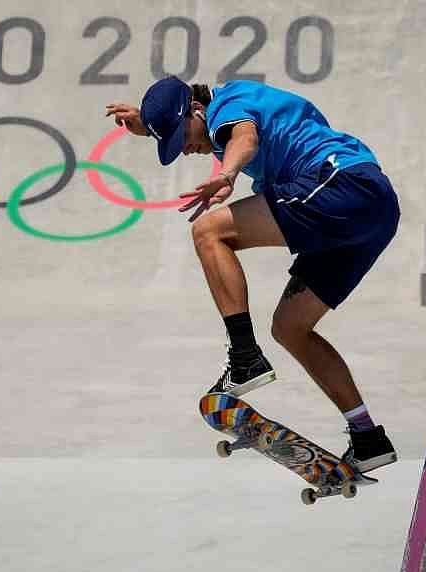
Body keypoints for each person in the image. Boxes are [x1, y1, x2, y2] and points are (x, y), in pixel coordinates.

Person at [105, 76, 400, 472]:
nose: (188, 150)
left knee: (207, 231)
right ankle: (368, 437)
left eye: (183, 138)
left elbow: (244, 137)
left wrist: (227, 175)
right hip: (370, 214)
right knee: (290, 328)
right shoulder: (211, 110)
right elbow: (196, 121)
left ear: (196, 110)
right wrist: (150, 122)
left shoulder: (229, 104)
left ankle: (245, 358)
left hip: (341, 185)